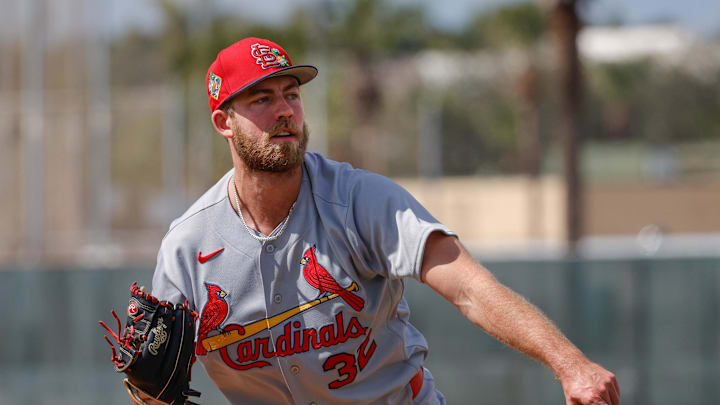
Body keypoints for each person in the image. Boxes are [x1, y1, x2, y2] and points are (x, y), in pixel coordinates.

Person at [149, 37, 620, 405]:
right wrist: (144, 388)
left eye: (291, 94)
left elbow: (470, 286)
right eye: (261, 99)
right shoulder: (189, 247)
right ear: (223, 122)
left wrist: (570, 363)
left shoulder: (358, 199)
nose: (285, 110)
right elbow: (157, 385)